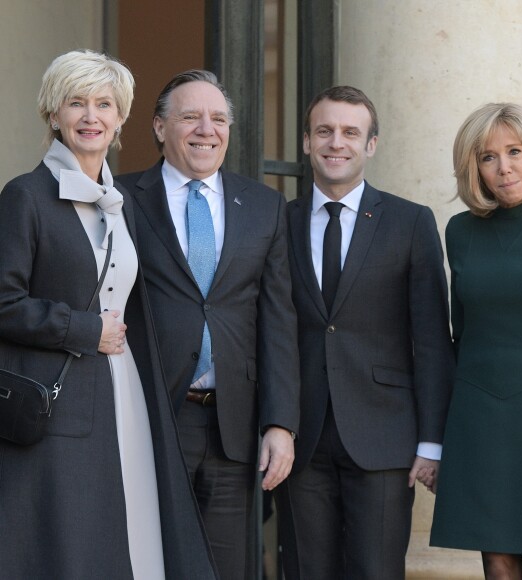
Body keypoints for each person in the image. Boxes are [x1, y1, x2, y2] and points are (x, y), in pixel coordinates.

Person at [0, 50, 217, 579]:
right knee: (70, 550)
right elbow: (3, 302)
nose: (91, 116)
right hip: (58, 407)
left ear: (121, 119)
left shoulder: (121, 201)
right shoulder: (25, 196)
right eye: (76, 103)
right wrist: (84, 328)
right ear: (54, 114)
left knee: (132, 542)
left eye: (104, 104)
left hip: (125, 396)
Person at [117, 69, 300, 580]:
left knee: (226, 567)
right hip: (151, 415)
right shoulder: (123, 199)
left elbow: (279, 319)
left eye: (218, 118)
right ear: (159, 127)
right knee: (151, 562)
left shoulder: (264, 206)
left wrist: (280, 423)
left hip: (233, 425)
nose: (206, 129)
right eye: (191, 116)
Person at [275, 85, 455, 580]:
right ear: (307, 142)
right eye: (325, 131)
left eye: (351, 132)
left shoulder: (410, 222)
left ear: (371, 145)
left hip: (385, 437)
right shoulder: (278, 222)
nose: (337, 142)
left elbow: (434, 341)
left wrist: (431, 442)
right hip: (300, 436)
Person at [430, 102, 522, 580]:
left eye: (514, 151)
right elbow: (456, 335)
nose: (504, 167)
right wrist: (437, 439)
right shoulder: (459, 231)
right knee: (494, 561)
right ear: (473, 167)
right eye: (488, 157)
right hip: (478, 414)